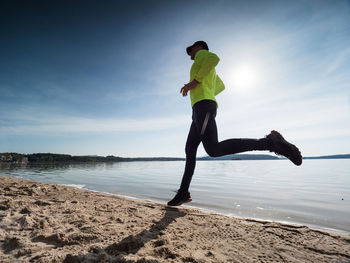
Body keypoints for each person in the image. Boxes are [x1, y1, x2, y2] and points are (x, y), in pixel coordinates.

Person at [167, 41, 302, 206]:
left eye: (191, 50)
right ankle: (183, 193)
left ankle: (270, 143)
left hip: (203, 106)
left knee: (213, 150)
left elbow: (214, 58)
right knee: (190, 149)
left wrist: (194, 83)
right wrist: (206, 89)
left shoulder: (203, 56)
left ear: (200, 47)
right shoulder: (204, 66)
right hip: (199, 108)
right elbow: (221, 86)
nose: (190, 54)